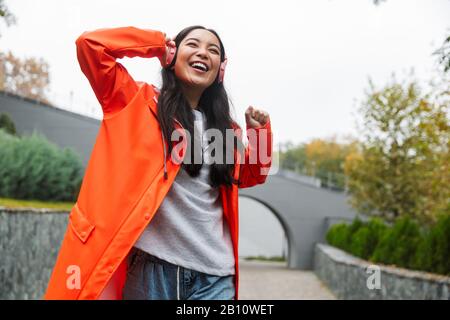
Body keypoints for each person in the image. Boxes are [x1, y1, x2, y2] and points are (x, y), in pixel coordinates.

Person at [44, 25, 272, 300]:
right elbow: (89, 46)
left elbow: (251, 175)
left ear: (219, 71)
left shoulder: (226, 131)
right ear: (173, 54)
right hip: (151, 274)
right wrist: (156, 45)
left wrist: (259, 134)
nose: (203, 53)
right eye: (192, 45)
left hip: (215, 277)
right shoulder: (134, 102)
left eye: (213, 51)